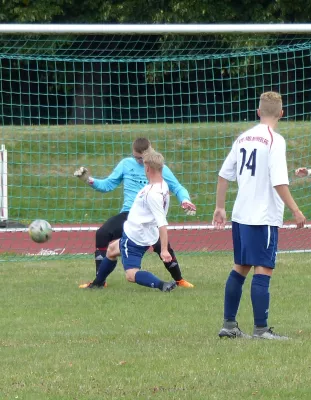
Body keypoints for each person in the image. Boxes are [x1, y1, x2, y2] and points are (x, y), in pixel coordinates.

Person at [213, 91, 306, 340]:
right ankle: (261, 329)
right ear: (281, 114)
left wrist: (219, 207)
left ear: (258, 111)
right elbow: (279, 181)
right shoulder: (275, 140)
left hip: (241, 214)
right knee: (263, 269)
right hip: (263, 217)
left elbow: (224, 174)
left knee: (240, 267)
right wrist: (296, 210)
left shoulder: (242, 138)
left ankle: (229, 325)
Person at [74, 137, 196, 288]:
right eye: (135, 157)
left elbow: (177, 187)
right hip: (129, 215)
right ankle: (100, 281)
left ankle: (178, 279)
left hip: (146, 220)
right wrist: (89, 180)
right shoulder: (126, 164)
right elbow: (107, 185)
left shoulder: (158, 171)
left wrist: (185, 199)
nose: (138, 161)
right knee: (103, 235)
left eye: (141, 158)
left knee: (160, 245)